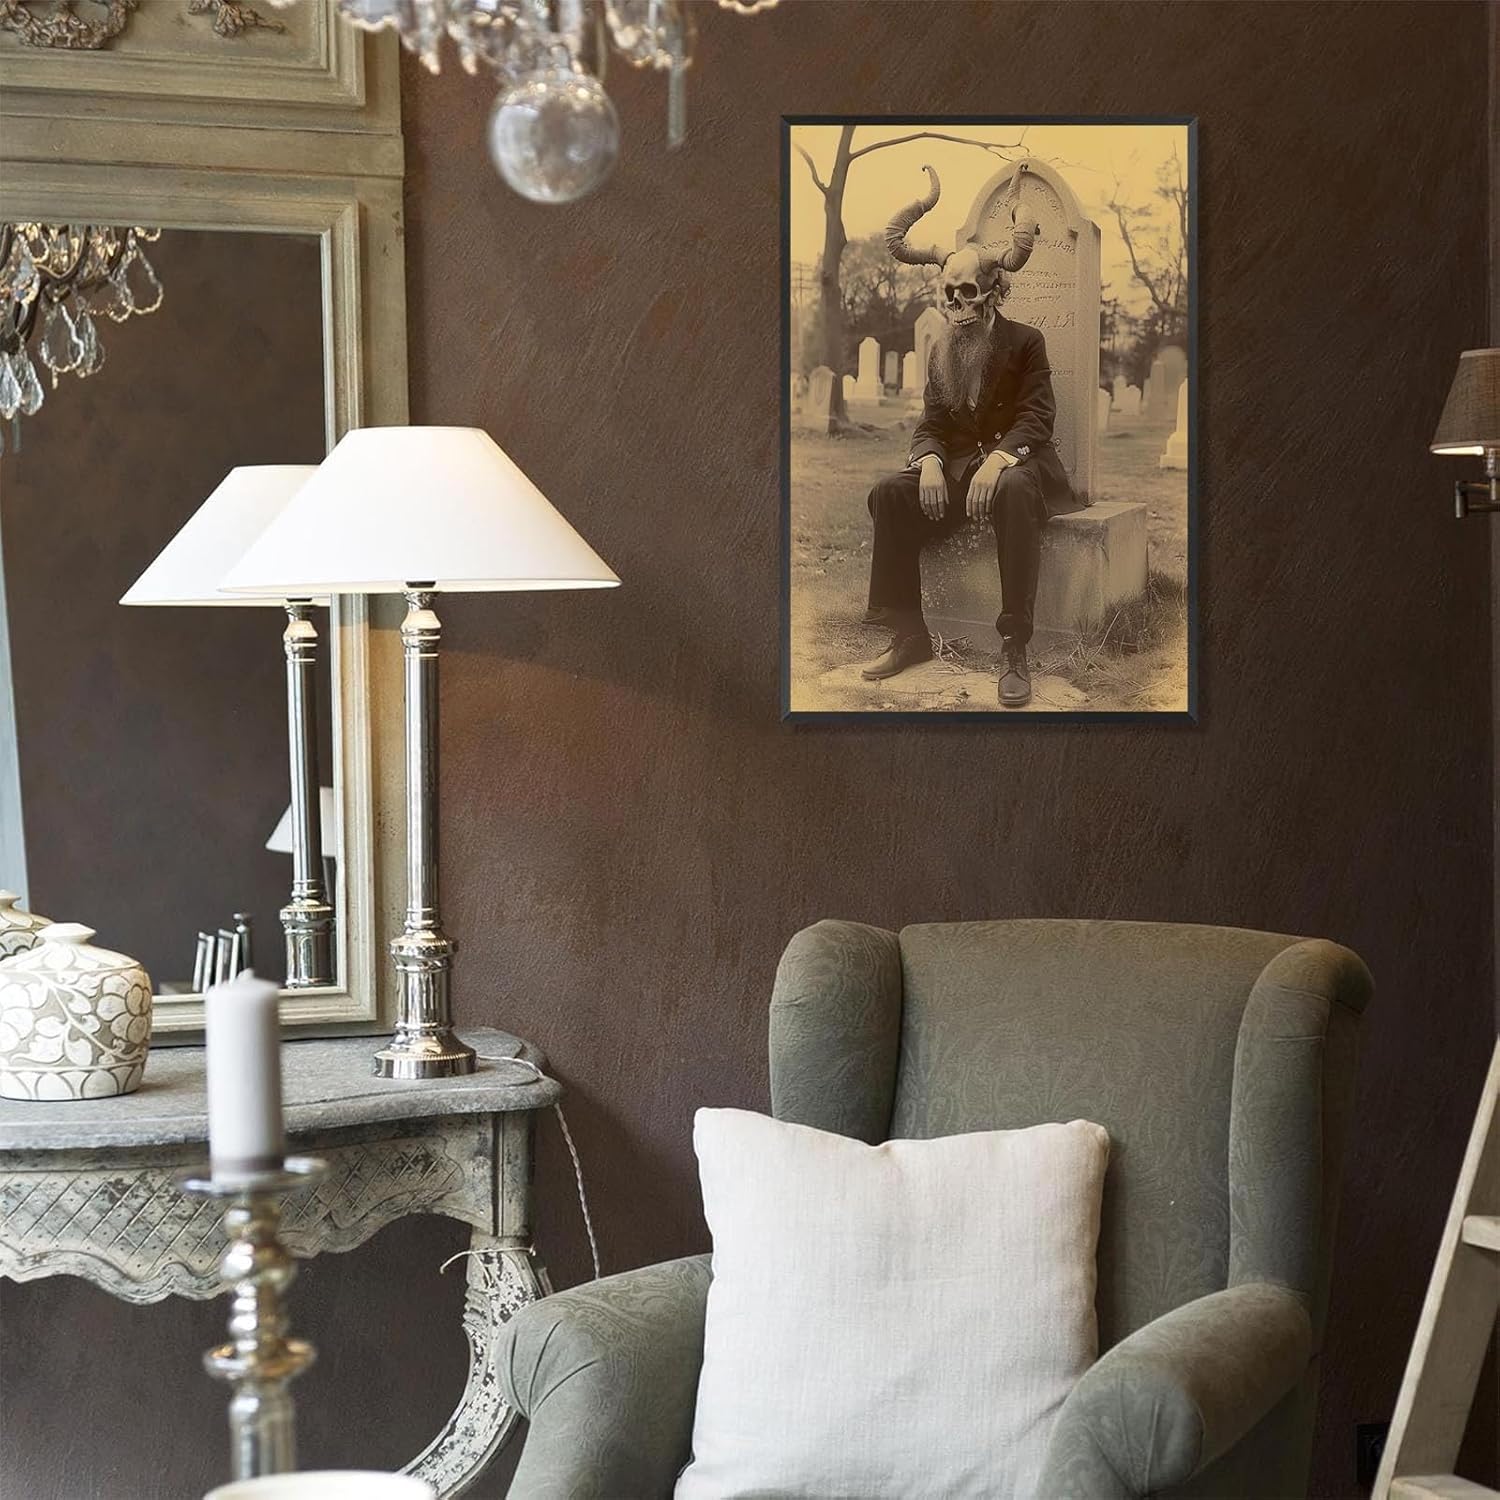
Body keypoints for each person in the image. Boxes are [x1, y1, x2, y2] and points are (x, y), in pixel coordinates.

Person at [861, 164, 1075, 708]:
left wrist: (999, 459)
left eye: (967, 293)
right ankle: (909, 635)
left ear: (993, 294)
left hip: (1016, 471)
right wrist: (930, 461)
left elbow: (1038, 417)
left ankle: (1014, 647)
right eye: (948, 294)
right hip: (958, 472)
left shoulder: (1027, 342)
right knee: (890, 492)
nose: (956, 307)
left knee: (1016, 488)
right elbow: (931, 424)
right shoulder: (942, 351)